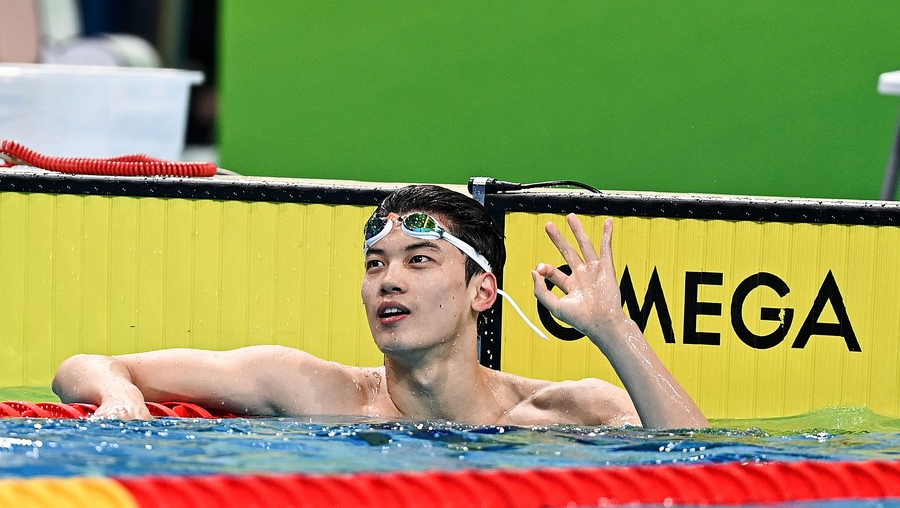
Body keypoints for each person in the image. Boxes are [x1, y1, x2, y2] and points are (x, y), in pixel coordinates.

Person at [52, 185, 708, 429]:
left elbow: (700, 462)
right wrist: (119, 394)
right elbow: (85, 368)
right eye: (376, 264)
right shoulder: (313, 390)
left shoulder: (561, 412)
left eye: (419, 260)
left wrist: (615, 330)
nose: (388, 281)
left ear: (482, 292)